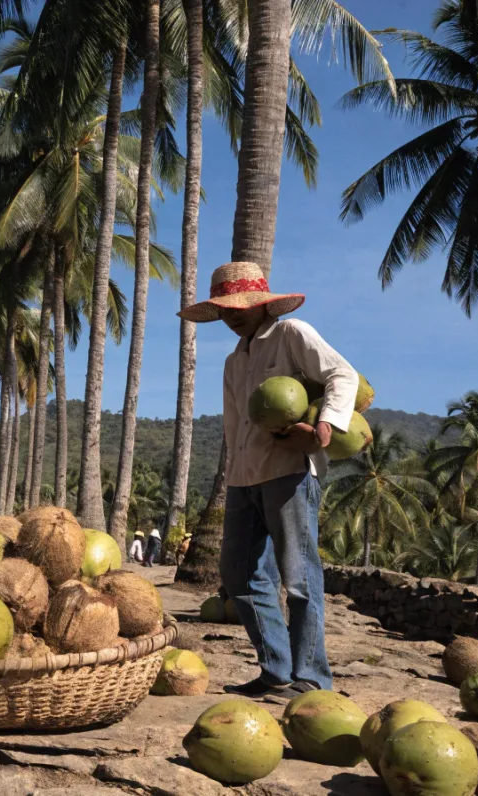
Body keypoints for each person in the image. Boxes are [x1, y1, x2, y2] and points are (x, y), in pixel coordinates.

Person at [178, 262, 358, 700]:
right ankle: (275, 670)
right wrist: (231, 477)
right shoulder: (233, 361)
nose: (232, 315)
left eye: (239, 305)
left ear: (262, 303)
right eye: (224, 308)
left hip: (289, 471)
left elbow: (342, 374)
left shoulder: (291, 333)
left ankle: (311, 678)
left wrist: (325, 427)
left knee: (298, 578)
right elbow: (235, 425)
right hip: (243, 477)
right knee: (238, 574)